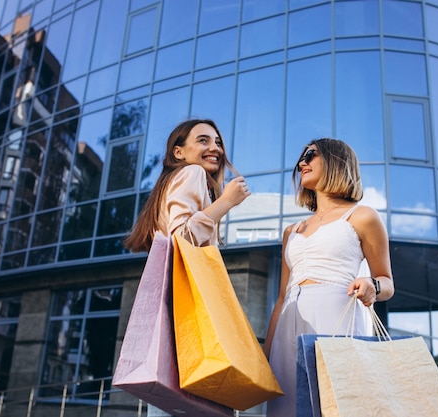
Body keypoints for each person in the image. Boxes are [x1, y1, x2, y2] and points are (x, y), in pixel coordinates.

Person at [123, 118, 250, 417]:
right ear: (179, 152)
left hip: (174, 306)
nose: (214, 148)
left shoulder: (173, 182)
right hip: (187, 307)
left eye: (217, 142)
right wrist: (226, 203)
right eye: (203, 140)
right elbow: (183, 237)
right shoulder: (192, 173)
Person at [263, 138, 394, 417]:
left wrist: (373, 285)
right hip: (288, 323)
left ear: (336, 160)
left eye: (310, 155)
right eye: (301, 157)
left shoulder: (362, 217)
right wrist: (265, 354)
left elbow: (387, 282)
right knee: (286, 409)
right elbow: (281, 297)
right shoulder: (292, 231)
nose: (302, 163)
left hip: (338, 318)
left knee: (338, 404)